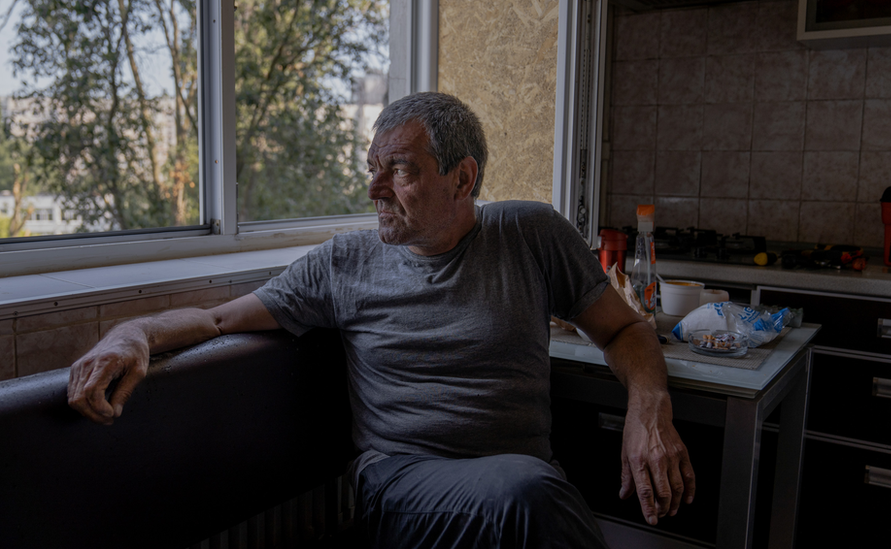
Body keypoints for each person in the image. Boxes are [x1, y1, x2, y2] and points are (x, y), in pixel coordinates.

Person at [68, 92, 695, 548]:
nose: (375, 190)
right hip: (404, 488)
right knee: (527, 494)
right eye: (373, 168)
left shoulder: (530, 233)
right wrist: (135, 333)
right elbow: (215, 321)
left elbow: (625, 329)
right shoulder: (345, 262)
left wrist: (648, 407)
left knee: (528, 493)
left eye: (398, 170)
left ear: (463, 177)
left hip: (520, 491)